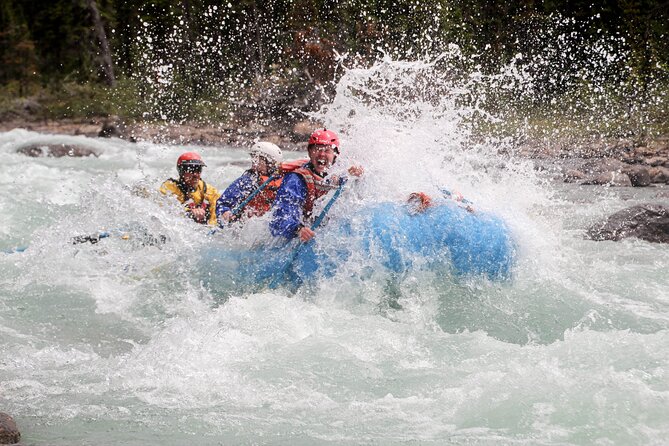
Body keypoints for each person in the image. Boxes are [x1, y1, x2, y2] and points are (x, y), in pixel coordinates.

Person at [270, 128, 363, 242]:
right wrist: (298, 229)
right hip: (303, 231)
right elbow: (280, 217)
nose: (321, 154)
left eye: (327, 150)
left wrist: (359, 177)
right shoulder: (296, 180)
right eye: (317, 149)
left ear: (335, 154)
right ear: (309, 152)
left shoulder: (343, 173)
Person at [216, 142, 285, 225]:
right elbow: (222, 203)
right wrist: (225, 212)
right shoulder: (247, 181)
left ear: (271, 163)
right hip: (245, 225)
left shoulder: (284, 182)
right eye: (253, 157)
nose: (254, 161)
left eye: (258, 159)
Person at [159, 152, 220, 226]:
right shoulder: (170, 187)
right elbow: (165, 211)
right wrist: (189, 212)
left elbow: (217, 212)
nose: (195, 175)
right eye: (191, 169)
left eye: (198, 169)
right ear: (181, 171)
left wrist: (212, 227)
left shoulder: (208, 190)